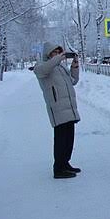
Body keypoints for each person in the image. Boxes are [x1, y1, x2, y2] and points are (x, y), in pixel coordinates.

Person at [33, 42, 81, 179]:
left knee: (69, 138)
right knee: (60, 139)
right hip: (57, 107)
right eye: (55, 52)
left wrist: (75, 65)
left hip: (69, 107)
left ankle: (65, 163)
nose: (58, 55)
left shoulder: (61, 67)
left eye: (59, 52)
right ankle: (58, 168)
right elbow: (43, 71)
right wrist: (58, 58)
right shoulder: (41, 66)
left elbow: (73, 80)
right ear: (48, 54)